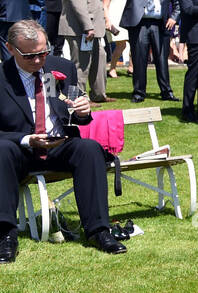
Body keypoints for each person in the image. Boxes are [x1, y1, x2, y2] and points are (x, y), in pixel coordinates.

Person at [0, 21, 127, 261]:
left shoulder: (61, 67)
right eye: (30, 56)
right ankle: (5, 235)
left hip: (58, 144)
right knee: (2, 149)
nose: (39, 61)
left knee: (88, 148)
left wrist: (82, 111)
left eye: (43, 52)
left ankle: (99, 230)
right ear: (10, 49)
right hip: (18, 149)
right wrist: (27, 139)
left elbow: (77, 116)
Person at [118, 0, 177, 103]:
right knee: (139, 59)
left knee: (161, 59)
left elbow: (177, 3)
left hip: (159, 24)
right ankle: (139, 93)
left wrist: (173, 17)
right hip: (140, 24)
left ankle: (166, 92)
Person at [57, 0, 108, 102]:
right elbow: (77, 4)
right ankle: (78, 99)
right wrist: (88, 27)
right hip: (81, 29)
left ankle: (99, 95)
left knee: (99, 58)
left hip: (90, 30)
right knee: (81, 65)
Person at [101, 0, 129, 79]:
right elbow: (104, 7)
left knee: (132, 45)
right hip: (114, 20)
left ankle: (131, 68)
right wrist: (107, 21)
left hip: (125, 20)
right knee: (121, 45)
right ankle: (112, 68)